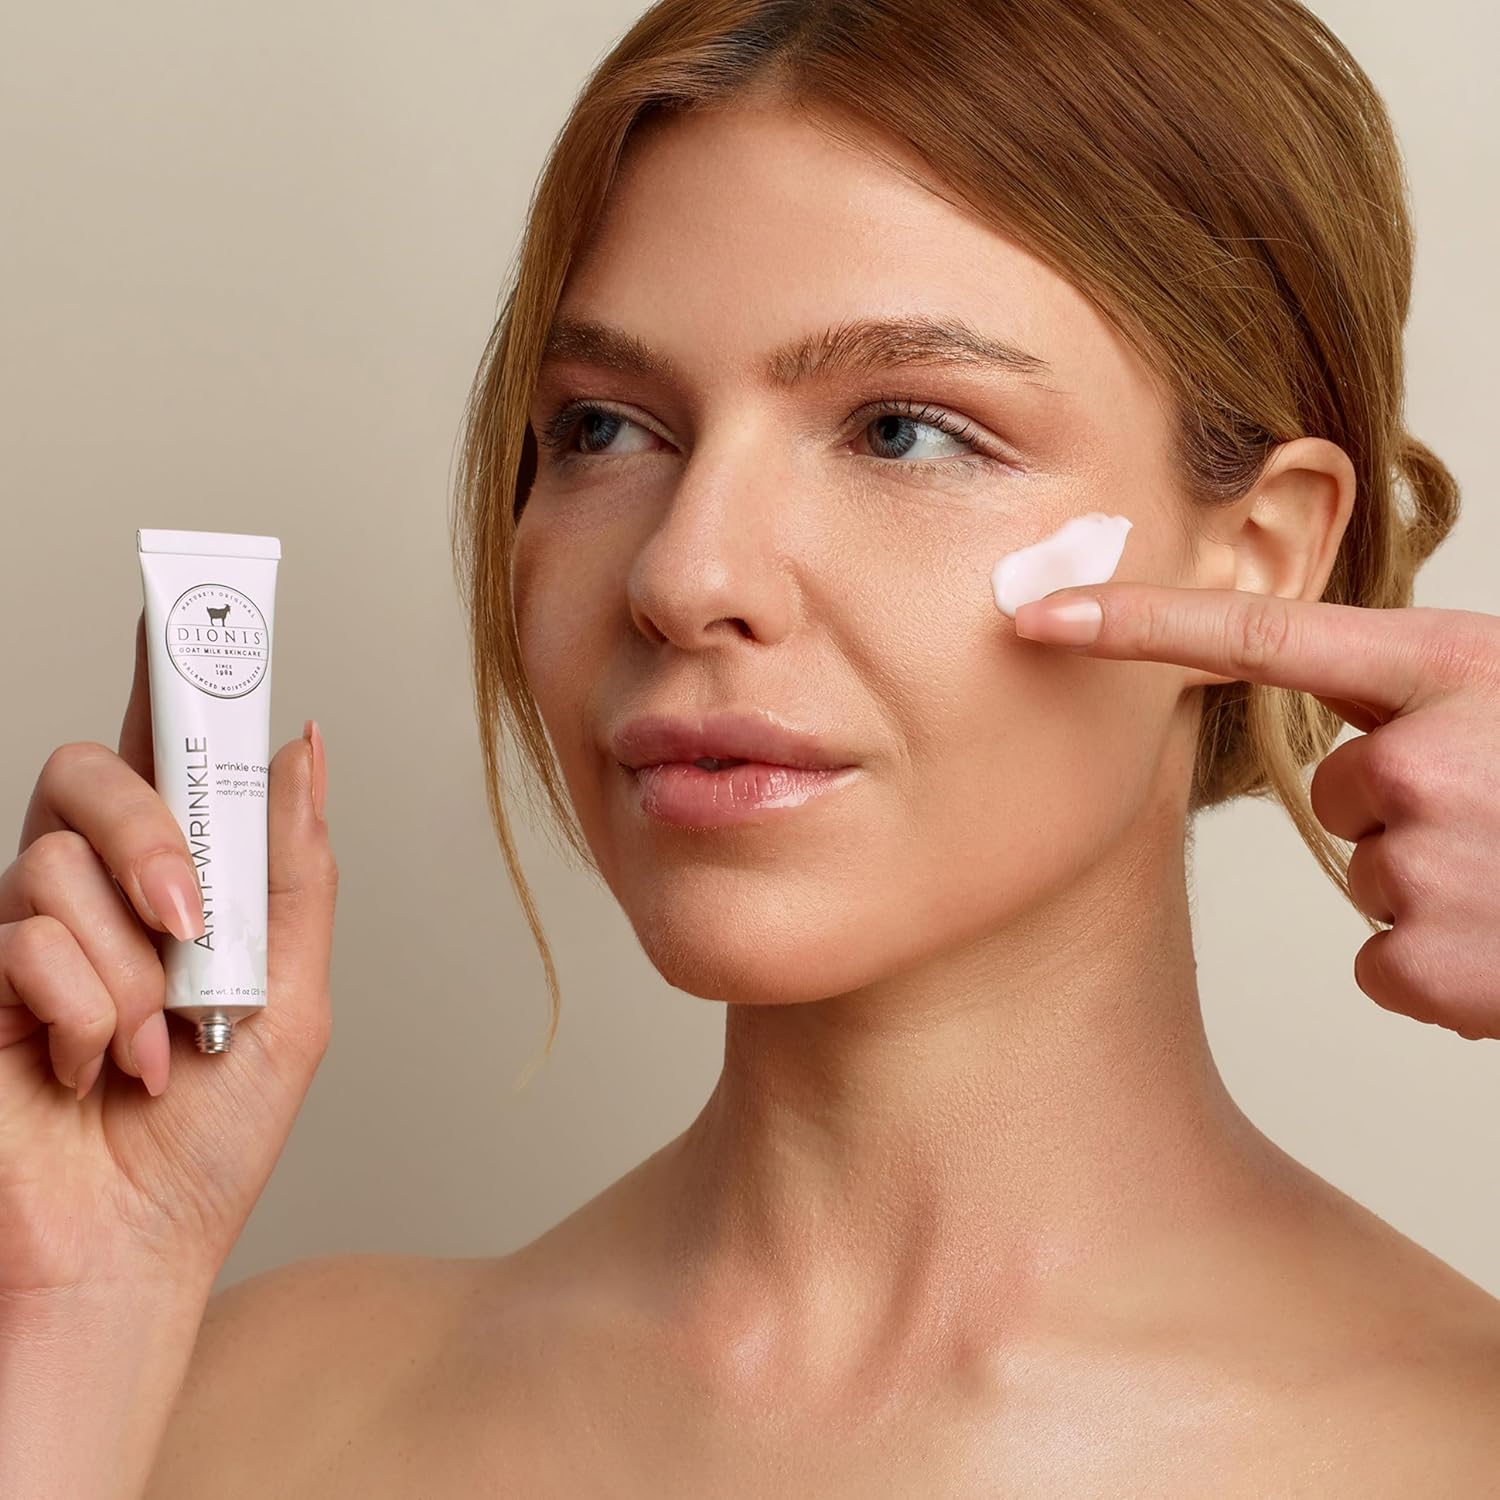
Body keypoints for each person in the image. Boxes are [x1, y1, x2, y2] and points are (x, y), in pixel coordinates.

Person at [4, 1, 1498, 1495]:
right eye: (605, 429)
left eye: (904, 430)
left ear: (1259, 553)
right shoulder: (233, 1411)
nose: (683, 573)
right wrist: (80, 1312)